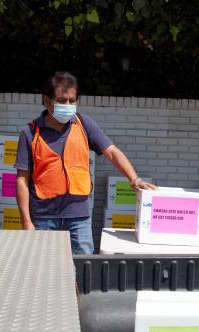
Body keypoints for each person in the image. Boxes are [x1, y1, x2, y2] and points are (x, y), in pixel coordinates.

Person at [15, 72, 156, 254]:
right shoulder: (30, 133)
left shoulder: (83, 124)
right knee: (42, 270)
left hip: (78, 217)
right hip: (43, 218)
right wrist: (26, 221)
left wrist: (134, 178)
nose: (68, 105)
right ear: (46, 100)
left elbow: (111, 152)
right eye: (62, 100)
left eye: (72, 101)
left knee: (82, 270)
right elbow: (22, 181)